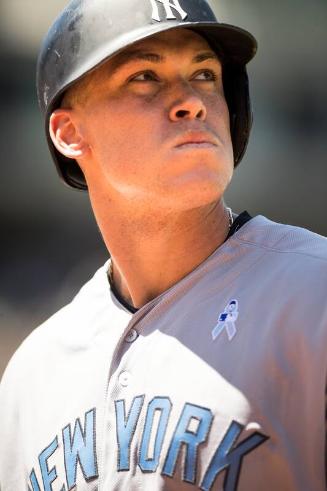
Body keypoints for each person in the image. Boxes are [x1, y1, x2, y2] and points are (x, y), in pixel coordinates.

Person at [0, 0, 326, 490]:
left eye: (204, 74)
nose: (190, 101)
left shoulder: (313, 294)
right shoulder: (34, 372)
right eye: (144, 77)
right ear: (70, 132)